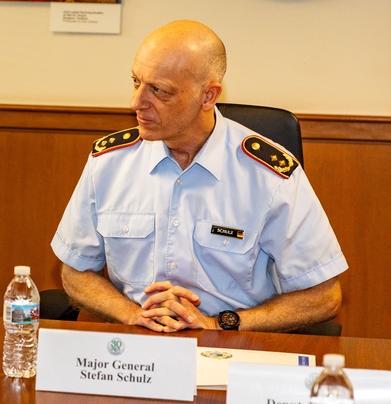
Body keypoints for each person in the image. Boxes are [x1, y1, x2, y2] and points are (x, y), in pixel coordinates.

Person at [50, 20, 347, 333]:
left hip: (232, 346)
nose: (136, 103)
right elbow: (74, 271)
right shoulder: (109, 162)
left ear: (208, 96)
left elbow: (324, 297)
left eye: (159, 91)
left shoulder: (269, 175)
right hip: (136, 346)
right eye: (136, 82)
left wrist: (219, 324)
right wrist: (131, 314)